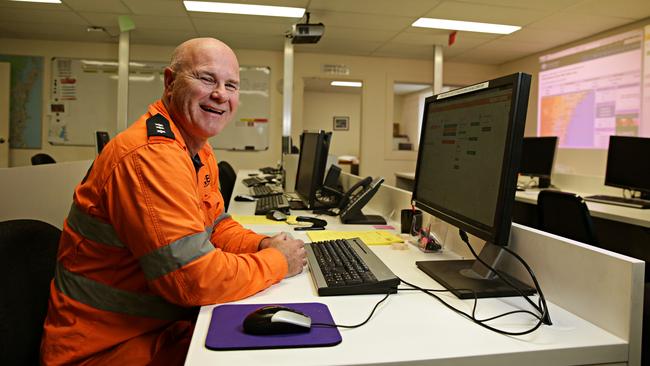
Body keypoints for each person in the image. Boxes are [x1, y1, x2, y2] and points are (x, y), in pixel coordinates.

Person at [40, 38, 307, 365]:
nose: (221, 94)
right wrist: (278, 263)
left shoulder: (196, 147)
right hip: (103, 349)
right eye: (207, 79)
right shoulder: (151, 156)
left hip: (157, 330)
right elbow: (191, 279)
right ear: (170, 83)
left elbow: (216, 226)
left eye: (231, 85)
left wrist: (263, 243)